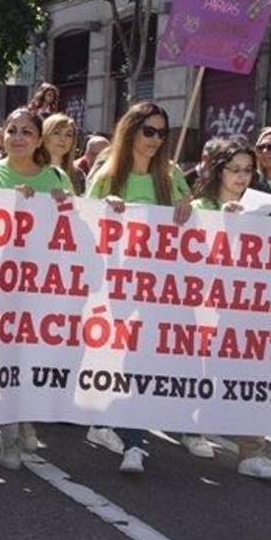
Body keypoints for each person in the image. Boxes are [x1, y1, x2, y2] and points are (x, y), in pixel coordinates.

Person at [84, 101, 199, 473]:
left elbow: (192, 217)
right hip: (115, 287)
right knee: (117, 360)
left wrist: (188, 207)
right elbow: (82, 224)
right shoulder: (107, 174)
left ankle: (133, 441)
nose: (155, 139)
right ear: (130, 130)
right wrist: (106, 208)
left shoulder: (171, 173)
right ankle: (117, 430)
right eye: (148, 131)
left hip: (158, 287)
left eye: (161, 133)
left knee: (141, 360)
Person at [0, 108, 71, 469]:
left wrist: (62, 207)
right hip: (0, 286)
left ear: (39, 138)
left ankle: (24, 418)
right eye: (11, 130)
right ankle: (10, 438)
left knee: (32, 359)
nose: (17, 137)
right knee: (6, 361)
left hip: (45, 288)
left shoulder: (57, 176)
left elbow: (76, 227)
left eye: (26, 131)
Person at [186, 138, 271, 481]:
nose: (242, 177)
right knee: (202, 373)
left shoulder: (265, 207)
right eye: (235, 170)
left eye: (248, 170)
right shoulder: (199, 205)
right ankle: (192, 428)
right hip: (204, 308)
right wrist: (219, 223)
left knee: (250, 377)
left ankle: (250, 452)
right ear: (218, 171)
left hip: (247, 307)